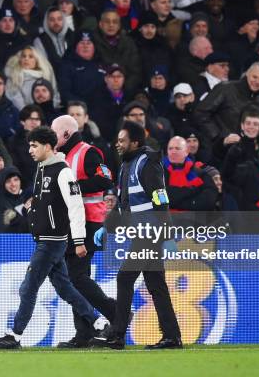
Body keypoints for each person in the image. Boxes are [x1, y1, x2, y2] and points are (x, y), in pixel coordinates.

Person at [0, 126, 104, 349]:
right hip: (46, 239)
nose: (30, 150)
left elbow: (76, 206)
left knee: (28, 287)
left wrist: (79, 240)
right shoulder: (42, 170)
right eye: (29, 145)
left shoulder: (63, 171)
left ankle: (15, 335)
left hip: (53, 241)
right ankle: (99, 323)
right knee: (65, 288)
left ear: (49, 147)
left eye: (35, 145)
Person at [90, 121, 181, 350]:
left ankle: (117, 335)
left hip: (150, 233)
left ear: (136, 142)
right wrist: (107, 227)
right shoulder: (126, 165)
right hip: (141, 233)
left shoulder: (147, 163)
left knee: (125, 277)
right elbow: (123, 206)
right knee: (156, 283)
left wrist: (167, 235)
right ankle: (171, 336)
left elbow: (161, 199)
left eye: (122, 140)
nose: (117, 144)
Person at [51, 115, 116, 348]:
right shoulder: (63, 156)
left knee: (75, 278)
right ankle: (84, 333)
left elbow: (106, 179)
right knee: (75, 278)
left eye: (55, 132)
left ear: (66, 134)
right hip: (73, 223)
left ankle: (115, 311)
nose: (52, 137)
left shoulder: (88, 152)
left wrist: (73, 188)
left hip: (89, 222)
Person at [4, 46, 60, 111]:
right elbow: (15, 100)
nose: (26, 59)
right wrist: (30, 115)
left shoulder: (46, 75)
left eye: (30, 57)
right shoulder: (13, 77)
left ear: (37, 60)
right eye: (23, 56)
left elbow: (55, 94)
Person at [0, 165, 29, 233]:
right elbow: (4, 229)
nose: (13, 184)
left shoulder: (26, 198)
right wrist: (24, 211)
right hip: (10, 241)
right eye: (8, 181)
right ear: (2, 184)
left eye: (16, 179)